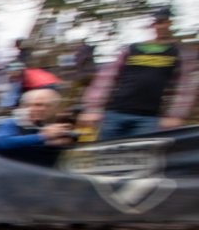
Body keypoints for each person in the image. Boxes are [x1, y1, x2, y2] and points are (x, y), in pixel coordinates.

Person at [79, 7, 195, 140]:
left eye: (164, 22)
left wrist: (175, 115)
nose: (161, 26)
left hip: (150, 118)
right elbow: (106, 79)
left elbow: (184, 86)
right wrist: (92, 109)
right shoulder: (132, 49)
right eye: (158, 22)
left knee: (139, 156)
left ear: (171, 23)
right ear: (152, 25)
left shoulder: (180, 53)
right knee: (104, 154)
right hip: (115, 113)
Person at [0, 88, 74, 164]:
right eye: (38, 105)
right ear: (24, 106)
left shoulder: (47, 123)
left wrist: (64, 140)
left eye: (48, 106)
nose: (42, 109)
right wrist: (43, 136)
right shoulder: (12, 122)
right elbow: (0, 142)